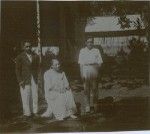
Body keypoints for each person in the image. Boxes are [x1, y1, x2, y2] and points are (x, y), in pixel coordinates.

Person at [15, 41, 39, 120]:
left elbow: (37, 68)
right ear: (23, 47)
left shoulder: (35, 56)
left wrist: (38, 77)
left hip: (34, 78)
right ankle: (27, 113)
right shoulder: (20, 57)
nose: (28, 48)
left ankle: (35, 112)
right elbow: (17, 70)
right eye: (26, 46)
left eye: (29, 46)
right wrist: (20, 80)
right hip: (24, 79)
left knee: (34, 95)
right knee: (25, 96)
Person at [78, 38, 103, 114]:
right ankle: (87, 106)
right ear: (85, 43)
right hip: (85, 69)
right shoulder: (82, 51)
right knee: (86, 90)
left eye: (91, 42)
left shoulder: (96, 50)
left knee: (95, 89)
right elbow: (81, 64)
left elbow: (100, 62)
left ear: (93, 43)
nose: (90, 43)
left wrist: (96, 70)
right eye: (88, 42)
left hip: (94, 68)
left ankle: (95, 105)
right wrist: (82, 73)